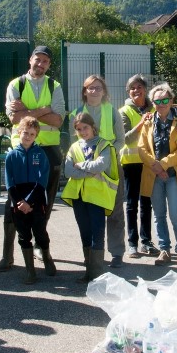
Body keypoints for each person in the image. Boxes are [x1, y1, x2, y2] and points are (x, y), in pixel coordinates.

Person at [0, 46, 66, 272]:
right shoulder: (16, 85)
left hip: (48, 151)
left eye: (45, 61)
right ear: (30, 60)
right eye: (38, 60)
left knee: (42, 204)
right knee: (13, 203)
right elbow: (14, 118)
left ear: (49, 65)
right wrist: (43, 110)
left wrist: (28, 111)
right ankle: (7, 256)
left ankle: (41, 249)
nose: (40, 64)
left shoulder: (54, 86)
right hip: (21, 152)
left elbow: (58, 121)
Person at [70, 75, 127, 269]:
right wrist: (87, 167)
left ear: (104, 91)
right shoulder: (77, 113)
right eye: (90, 88)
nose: (94, 91)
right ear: (84, 91)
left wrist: (105, 157)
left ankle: (117, 253)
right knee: (90, 214)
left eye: (98, 88)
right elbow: (73, 144)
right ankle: (93, 256)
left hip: (110, 167)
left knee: (115, 211)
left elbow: (121, 140)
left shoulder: (112, 112)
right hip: (86, 170)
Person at [137, 83, 177, 268]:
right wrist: (156, 166)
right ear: (153, 103)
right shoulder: (147, 122)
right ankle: (164, 249)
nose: (161, 103)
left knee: (176, 214)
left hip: (173, 175)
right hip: (154, 175)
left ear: (171, 100)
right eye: (157, 101)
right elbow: (142, 148)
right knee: (158, 214)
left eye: (165, 100)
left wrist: (164, 163)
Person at [62, 112, 119, 283]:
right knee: (85, 232)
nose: (82, 132)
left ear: (92, 126)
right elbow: (68, 171)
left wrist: (81, 166)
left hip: (97, 196)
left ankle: (97, 273)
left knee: (97, 233)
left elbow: (101, 165)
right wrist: (89, 170)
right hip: (79, 196)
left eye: (85, 128)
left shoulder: (104, 145)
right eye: (79, 129)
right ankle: (89, 270)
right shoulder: (74, 147)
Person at [4, 116, 54, 284]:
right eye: (25, 133)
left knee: (40, 233)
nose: (28, 137)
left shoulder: (40, 154)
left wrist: (29, 202)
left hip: (36, 201)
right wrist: (20, 202)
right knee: (23, 235)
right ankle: (30, 271)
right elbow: (9, 182)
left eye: (32, 134)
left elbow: (42, 181)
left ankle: (47, 259)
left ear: (36, 136)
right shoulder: (11, 156)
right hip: (18, 203)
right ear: (19, 132)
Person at [120, 74, 156, 259]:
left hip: (149, 163)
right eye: (132, 88)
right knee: (132, 204)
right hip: (131, 164)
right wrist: (142, 123)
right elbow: (127, 138)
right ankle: (132, 243)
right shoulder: (124, 111)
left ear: (145, 89)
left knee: (146, 204)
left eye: (139, 87)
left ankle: (146, 242)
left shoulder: (156, 108)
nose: (136, 91)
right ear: (128, 91)